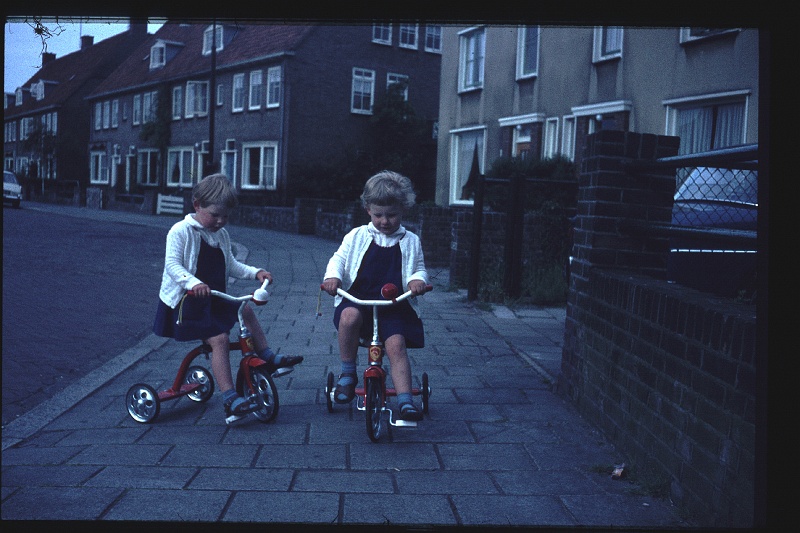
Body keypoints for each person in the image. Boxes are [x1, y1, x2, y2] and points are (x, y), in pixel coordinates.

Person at [153, 174, 302, 419]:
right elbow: (173, 265)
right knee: (220, 339)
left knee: (246, 309)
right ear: (197, 204)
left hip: (213, 297)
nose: (221, 221)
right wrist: (194, 283)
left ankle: (267, 356)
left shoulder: (220, 234)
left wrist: (256, 272)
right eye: (215, 215)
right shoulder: (180, 231)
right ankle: (229, 396)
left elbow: (230, 264)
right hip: (186, 302)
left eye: (226, 216)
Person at [321, 170, 429, 421]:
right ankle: (347, 373)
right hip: (359, 299)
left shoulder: (410, 240)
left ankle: (405, 400)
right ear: (368, 209)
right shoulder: (357, 235)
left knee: (396, 345)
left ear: (403, 210)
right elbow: (338, 259)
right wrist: (332, 278)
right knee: (347, 317)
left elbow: (420, 267)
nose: (384, 221)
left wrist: (417, 280)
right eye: (378, 214)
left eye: (391, 215)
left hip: (393, 306)